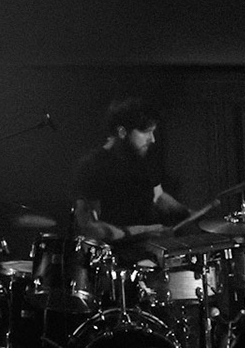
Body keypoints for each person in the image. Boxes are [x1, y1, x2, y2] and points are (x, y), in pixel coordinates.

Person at [70, 98, 190, 243]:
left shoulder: (142, 159)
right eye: (146, 132)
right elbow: (88, 227)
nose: (152, 139)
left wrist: (189, 213)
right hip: (114, 257)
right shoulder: (92, 166)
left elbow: (158, 196)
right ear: (122, 132)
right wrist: (143, 231)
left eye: (153, 132)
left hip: (151, 252)